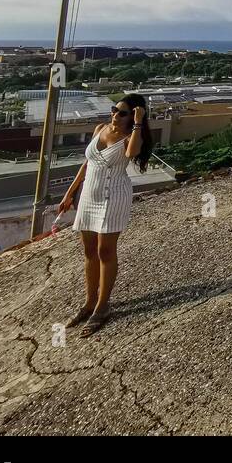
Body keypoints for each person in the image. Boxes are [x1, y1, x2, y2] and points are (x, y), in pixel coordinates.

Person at [55, 92, 153, 337]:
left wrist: (139, 122)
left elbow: (131, 154)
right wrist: (70, 193)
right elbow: (87, 163)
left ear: (133, 116)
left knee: (105, 251)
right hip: (89, 195)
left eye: (122, 113)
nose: (115, 115)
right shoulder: (100, 128)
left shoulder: (131, 137)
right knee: (89, 251)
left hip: (113, 197)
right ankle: (89, 302)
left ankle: (102, 306)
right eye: (114, 109)